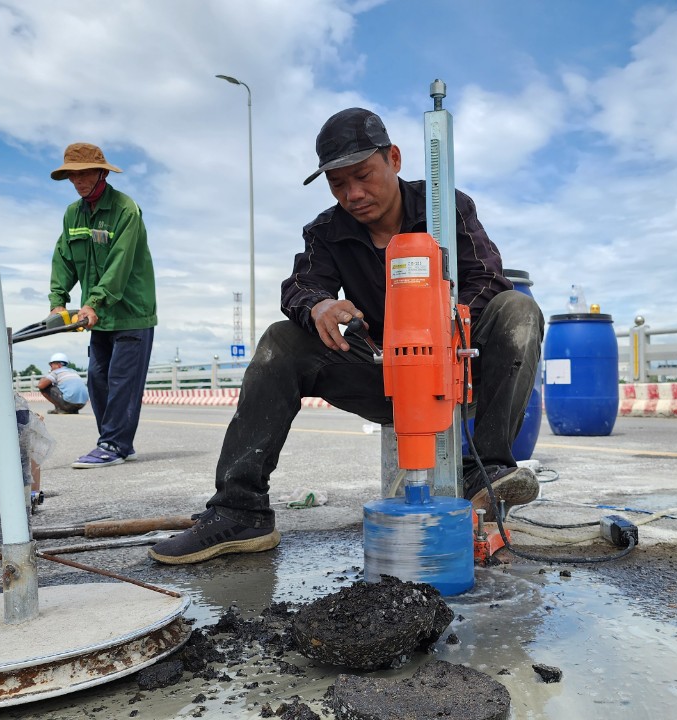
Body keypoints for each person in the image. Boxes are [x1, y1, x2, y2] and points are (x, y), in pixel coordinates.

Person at [150, 108, 543, 565]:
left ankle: (485, 473)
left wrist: (440, 327)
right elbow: (300, 284)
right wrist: (319, 304)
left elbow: (488, 277)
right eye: (338, 184)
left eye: (363, 175)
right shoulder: (326, 231)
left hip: (458, 369)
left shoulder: (445, 207)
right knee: (281, 341)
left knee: (518, 309)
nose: (353, 194)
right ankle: (240, 510)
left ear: (393, 159)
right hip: (380, 373)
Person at [47, 142, 157, 469]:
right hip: (96, 317)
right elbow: (63, 260)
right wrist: (58, 301)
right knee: (98, 379)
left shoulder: (126, 210)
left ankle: (112, 443)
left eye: (84, 174)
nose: (78, 181)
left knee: (123, 380)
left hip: (131, 312)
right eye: (72, 176)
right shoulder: (72, 214)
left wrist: (94, 301)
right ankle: (116, 442)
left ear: (102, 173)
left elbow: (119, 264)